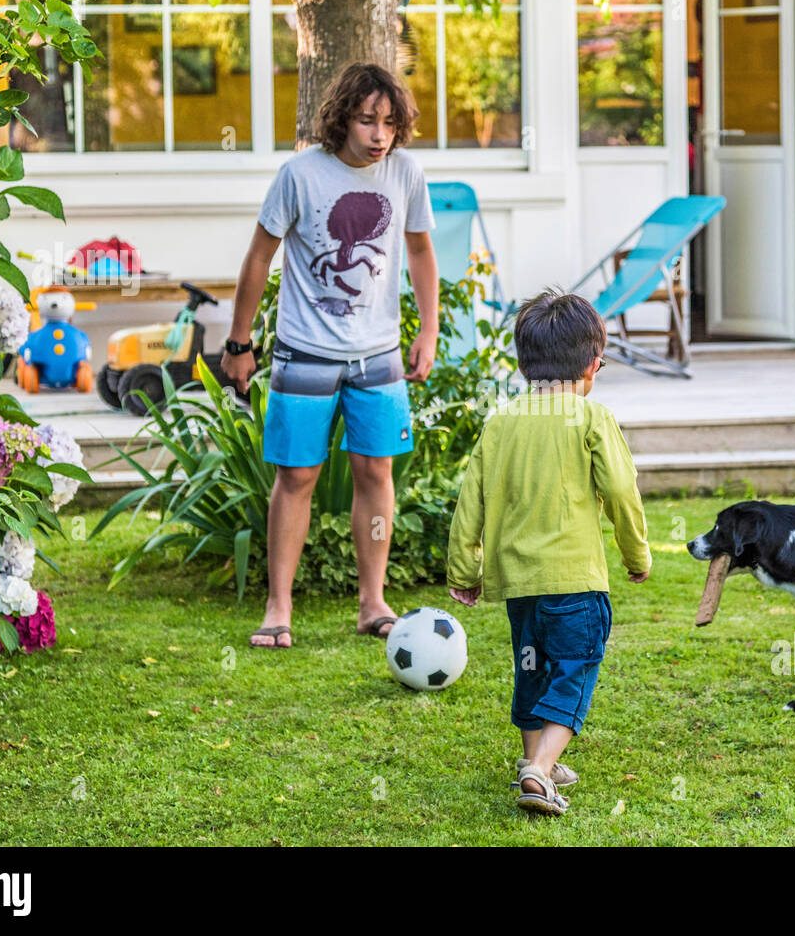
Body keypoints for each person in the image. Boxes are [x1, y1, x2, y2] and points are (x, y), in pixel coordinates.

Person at [222, 62, 439, 649]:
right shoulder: (300, 176)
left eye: (389, 123)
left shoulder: (405, 174)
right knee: (296, 477)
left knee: (377, 473)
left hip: (379, 356)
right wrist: (240, 343)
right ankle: (278, 607)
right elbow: (258, 259)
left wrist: (430, 328)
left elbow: (419, 251)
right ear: (342, 118)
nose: (379, 135)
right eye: (367, 121)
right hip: (304, 353)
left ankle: (373, 602)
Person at [446, 290, 651, 816]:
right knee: (575, 668)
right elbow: (622, 492)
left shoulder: (500, 423)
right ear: (591, 366)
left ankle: (533, 759)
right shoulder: (590, 418)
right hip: (576, 582)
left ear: (522, 364)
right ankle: (540, 772)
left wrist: (464, 570)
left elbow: (472, 502)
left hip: (519, 584)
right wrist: (636, 555)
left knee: (531, 667)